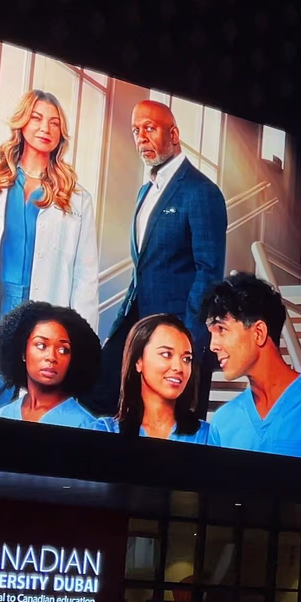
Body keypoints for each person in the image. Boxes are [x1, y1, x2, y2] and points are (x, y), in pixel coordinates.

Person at [0, 90, 101, 410]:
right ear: (21, 123)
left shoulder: (77, 198)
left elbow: (85, 275)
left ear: (61, 134)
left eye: (54, 122)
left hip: (44, 305)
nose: (45, 128)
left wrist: (83, 338)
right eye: (36, 118)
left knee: (31, 401)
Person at [89, 100, 226, 415]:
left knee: (174, 424)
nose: (141, 138)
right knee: (99, 396)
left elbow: (209, 271)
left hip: (177, 331)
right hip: (137, 322)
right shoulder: (145, 192)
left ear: (174, 134)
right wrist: (121, 325)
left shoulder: (201, 191)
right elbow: (143, 268)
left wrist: (189, 340)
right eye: (136, 131)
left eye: (149, 128)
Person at [202, 272, 301, 463]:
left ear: (259, 332)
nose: (213, 345)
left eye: (221, 329)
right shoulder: (222, 422)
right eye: (211, 333)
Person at [95, 313, 218, 444]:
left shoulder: (208, 436)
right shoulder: (105, 430)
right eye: (166, 354)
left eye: (186, 359)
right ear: (138, 361)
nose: (179, 367)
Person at [0, 300, 100, 427]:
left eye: (63, 350)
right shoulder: (3, 415)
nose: (51, 357)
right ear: (23, 352)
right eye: (41, 345)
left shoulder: (87, 425)